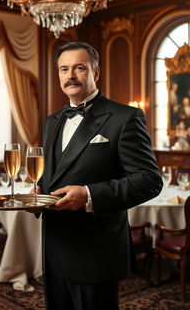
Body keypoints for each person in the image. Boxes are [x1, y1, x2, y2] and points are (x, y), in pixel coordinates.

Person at [34, 41, 162, 310]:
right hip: (54, 246)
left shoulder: (125, 117)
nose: (70, 76)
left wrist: (90, 195)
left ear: (96, 72)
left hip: (95, 251)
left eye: (79, 68)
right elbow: (54, 174)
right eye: (63, 69)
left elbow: (149, 180)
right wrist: (37, 193)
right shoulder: (52, 120)